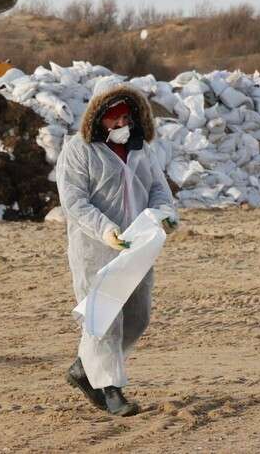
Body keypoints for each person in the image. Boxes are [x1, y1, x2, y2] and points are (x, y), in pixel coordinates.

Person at [55, 79, 178, 416]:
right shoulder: (79, 150)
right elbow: (75, 203)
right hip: (96, 249)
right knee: (103, 319)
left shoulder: (140, 149)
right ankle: (112, 390)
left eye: (127, 118)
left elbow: (157, 188)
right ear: (98, 117)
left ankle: (84, 368)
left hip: (137, 247)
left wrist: (165, 214)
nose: (121, 125)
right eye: (114, 119)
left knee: (138, 316)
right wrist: (106, 231)